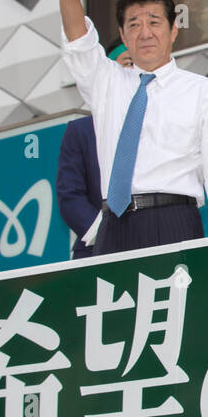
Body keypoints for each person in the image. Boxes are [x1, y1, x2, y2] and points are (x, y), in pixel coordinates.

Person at [58, 0, 208, 252]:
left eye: (154, 22)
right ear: (123, 35)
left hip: (175, 219)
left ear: (173, 31)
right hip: (114, 223)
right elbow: (77, 38)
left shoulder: (202, 90)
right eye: (134, 24)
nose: (145, 33)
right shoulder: (106, 82)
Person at [56, 44, 133, 259]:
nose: (131, 71)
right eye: (126, 62)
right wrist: (105, 232)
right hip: (95, 250)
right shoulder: (81, 131)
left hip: (152, 244)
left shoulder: (158, 123)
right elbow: (69, 194)